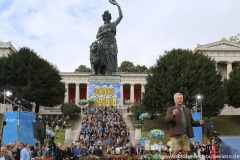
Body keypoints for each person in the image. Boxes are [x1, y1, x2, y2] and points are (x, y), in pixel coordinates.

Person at [165, 92, 204, 157]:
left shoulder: (188, 110)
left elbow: (191, 122)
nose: (179, 99)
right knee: (175, 151)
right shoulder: (170, 109)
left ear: (183, 99)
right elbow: (166, 120)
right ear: (175, 100)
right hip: (176, 134)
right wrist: (173, 115)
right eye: (178, 98)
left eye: (181, 98)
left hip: (186, 134)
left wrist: (199, 123)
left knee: (185, 152)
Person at [96, 0, 123, 75]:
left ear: (110, 17)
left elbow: (121, 16)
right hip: (103, 44)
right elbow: (97, 36)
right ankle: (103, 73)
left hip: (111, 45)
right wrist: (103, 32)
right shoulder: (101, 27)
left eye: (107, 16)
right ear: (103, 18)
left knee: (112, 59)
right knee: (103, 61)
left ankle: (112, 73)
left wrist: (118, 5)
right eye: (105, 16)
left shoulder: (113, 24)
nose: (106, 17)